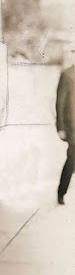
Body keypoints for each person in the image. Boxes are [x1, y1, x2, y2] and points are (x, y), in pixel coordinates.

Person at [56, 44, 75, 205]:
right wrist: (60, 127)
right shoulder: (67, 74)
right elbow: (60, 103)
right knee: (72, 161)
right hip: (73, 127)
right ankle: (61, 192)